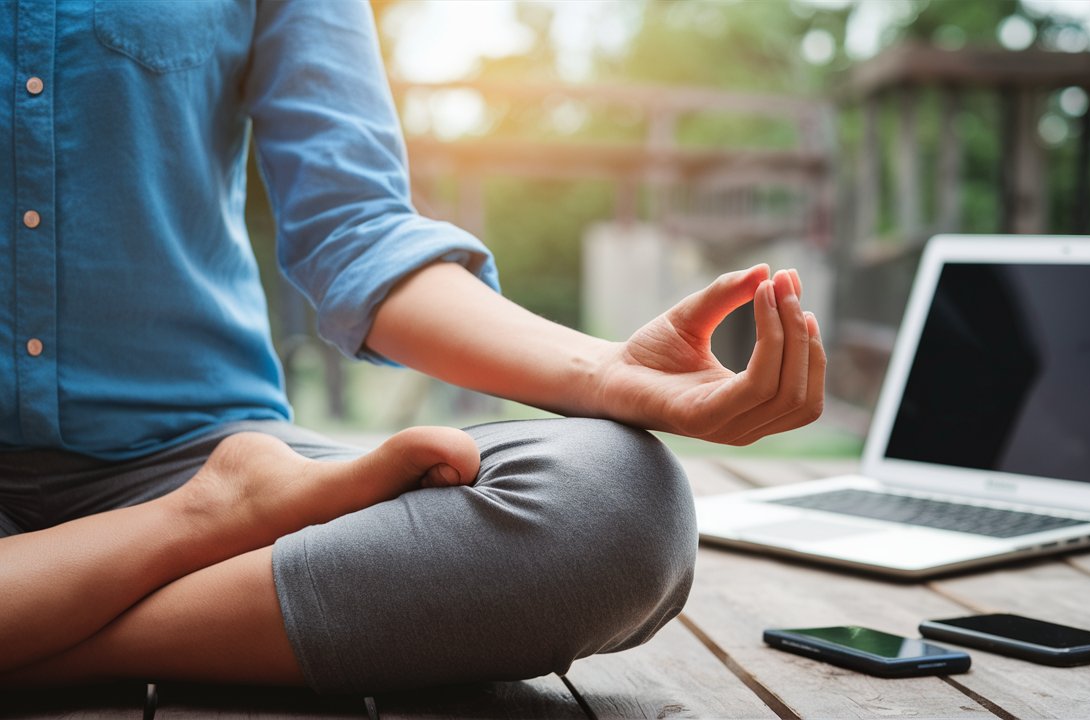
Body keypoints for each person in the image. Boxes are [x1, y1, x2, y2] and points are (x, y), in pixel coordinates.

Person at [0, 2, 824, 693]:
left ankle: (91, 594)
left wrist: (602, 370)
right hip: (199, 522)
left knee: (615, 505)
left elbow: (354, 233)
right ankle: (137, 582)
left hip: (193, 448)